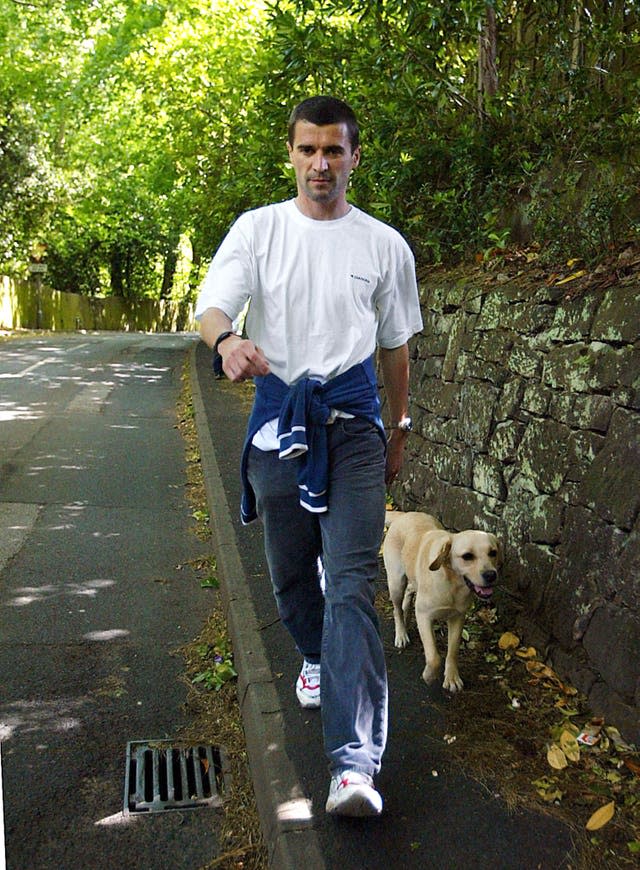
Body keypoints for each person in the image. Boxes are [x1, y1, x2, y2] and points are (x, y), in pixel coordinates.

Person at [196, 96, 423, 817]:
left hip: (355, 426)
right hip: (278, 427)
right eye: (308, 150)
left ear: (356, 157)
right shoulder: (258, 231)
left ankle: (354, 766)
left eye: (334, 151)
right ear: (291, 155)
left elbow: (395, 347)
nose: (321, 163)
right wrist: (226, 341)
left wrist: (400, 426)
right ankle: (318, 657)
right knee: (294, 577)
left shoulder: (384, 246)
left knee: (353, 581)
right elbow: (213, 307)